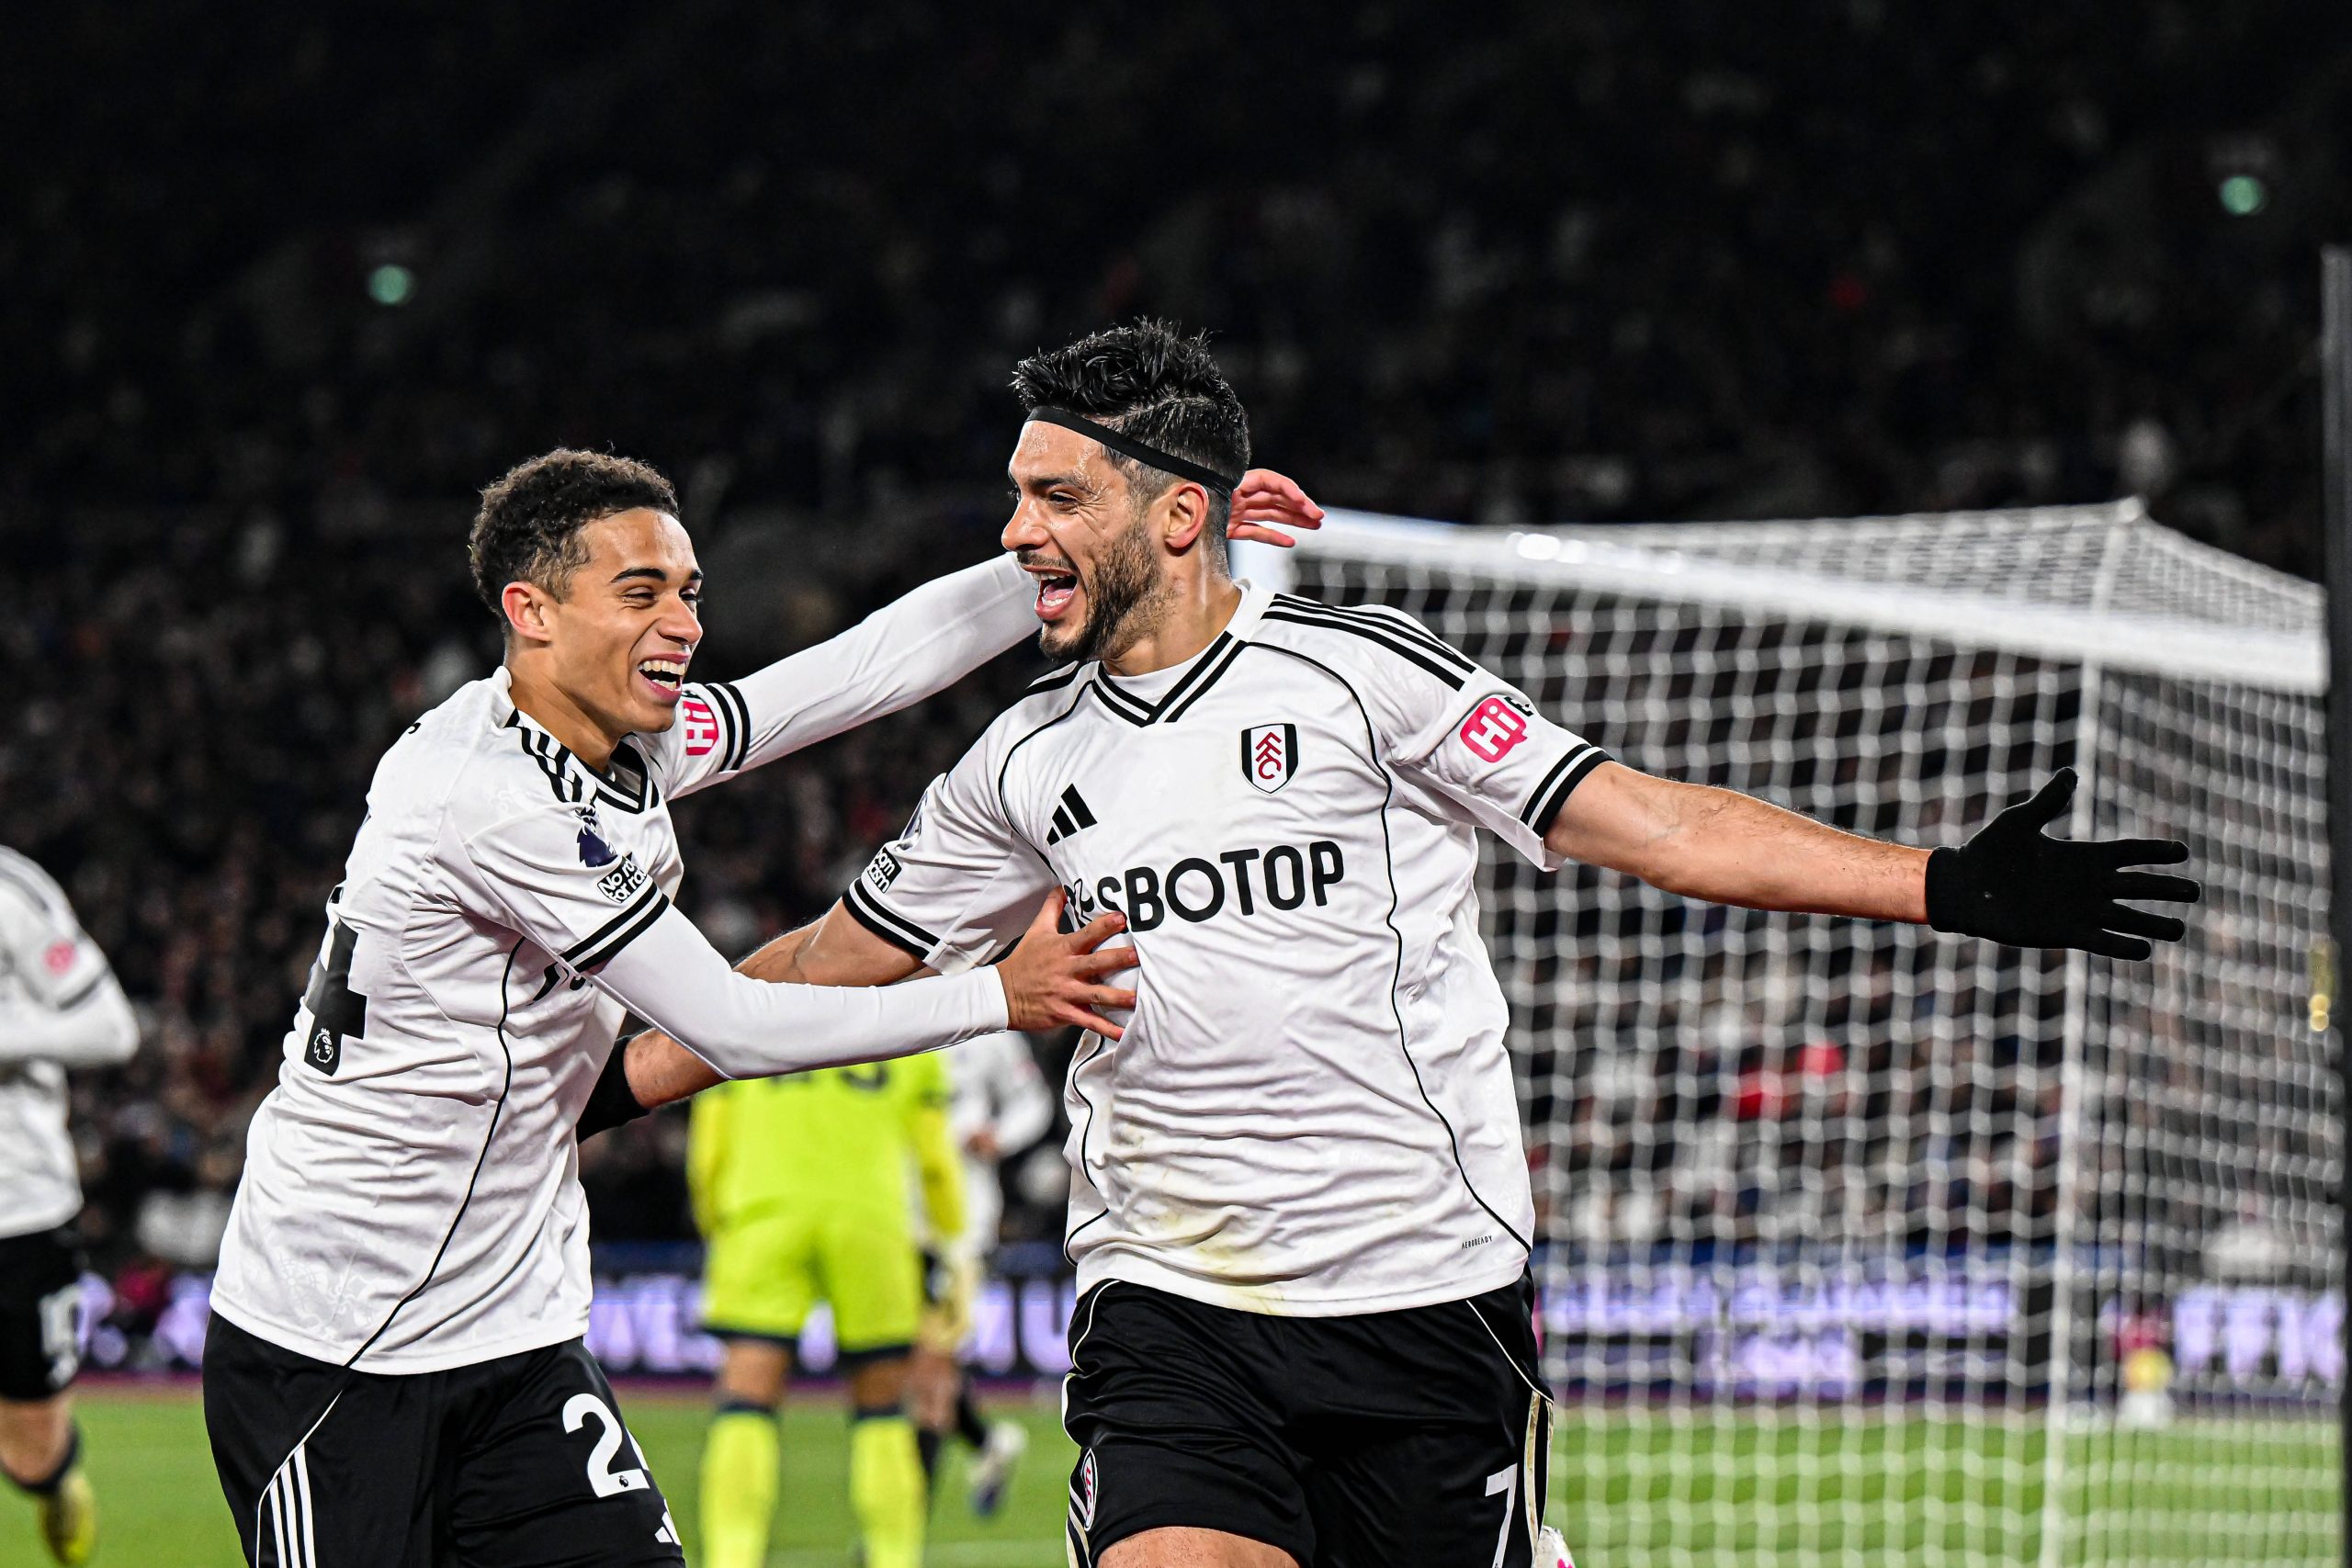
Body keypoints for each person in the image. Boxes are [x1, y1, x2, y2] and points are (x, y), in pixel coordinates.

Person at [601, 320, 2198, 1567]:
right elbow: (834, 957)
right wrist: (613, 1080)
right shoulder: (1022, 758)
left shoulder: (1367, 682)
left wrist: (1940, 882)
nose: (1013, 535)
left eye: (1052, 495)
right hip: (1173, 1307)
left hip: (1426, 1300)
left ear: (1177, 515)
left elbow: (1648, 822)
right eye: (1014, 492)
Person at [199, 445, 1325, 1568]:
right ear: (528, 611)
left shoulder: (620, 736)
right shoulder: (492, 798)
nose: (682, 623)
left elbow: (860, 669)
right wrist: (993, 995)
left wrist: (1079, 550)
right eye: (638, 594)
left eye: (687, 592)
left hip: (514, 1328)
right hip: (342, 1336)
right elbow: (731, 1025)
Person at [686, 1052, 967, 1568]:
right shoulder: (904, 1029)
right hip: (870, 1221)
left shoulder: (748, 1016)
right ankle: (893, 1559)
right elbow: (934, 1162)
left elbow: (709, 1150)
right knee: (882, 1405)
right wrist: (953, 1241)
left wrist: (718, 1223)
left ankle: (731, 1559)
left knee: (746, 1396)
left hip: (763, 1214)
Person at [0, 846, 140, 1566]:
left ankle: (54, 1479)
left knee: (30, 1452)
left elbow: (114, 1029)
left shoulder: (13, 891)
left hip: (18, 1208)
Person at [907, 1029, 1057, 1514]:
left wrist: (1000, 1136)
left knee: (927, 1369)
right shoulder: (885, 1012)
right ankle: (987, 1441)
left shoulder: (980, 1024)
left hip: (962, 1227)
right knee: (916, 1367)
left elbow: (1033, 1102)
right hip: (896, 1219)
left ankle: (902, 1527)